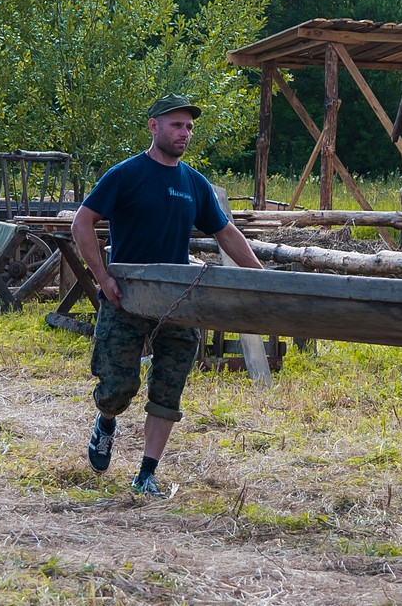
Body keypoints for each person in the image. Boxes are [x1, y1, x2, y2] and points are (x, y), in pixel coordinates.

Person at [72, 94, 263, 496]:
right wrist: (103, 279)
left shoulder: (193, 183)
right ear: (153, 126)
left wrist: (263, 278)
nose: (185, 133)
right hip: (129, 294)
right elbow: (82, 223)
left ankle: (146, 474)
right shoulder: (126, 175)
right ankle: (106, 421)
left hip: (178, 299)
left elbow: (225, 232)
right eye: (177, 125)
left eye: (190, 127)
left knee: (169, 388)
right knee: (117, 388)